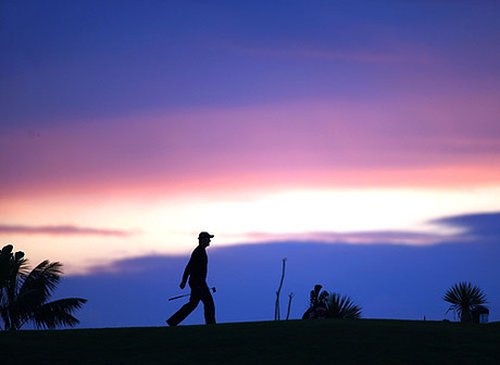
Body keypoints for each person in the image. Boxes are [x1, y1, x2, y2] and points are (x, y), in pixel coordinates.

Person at [166, 231, 216, 326]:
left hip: (197, 282)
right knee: (209, 303)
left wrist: (184, 281)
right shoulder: (198, 252)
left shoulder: (200, 251)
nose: (209, 240)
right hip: (198, 282)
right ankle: (211, 325)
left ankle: (172, 321)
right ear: (203, 240)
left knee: (192, 304)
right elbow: (189, 267)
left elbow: (189, 267)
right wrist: (183, 281)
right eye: (208, 238)